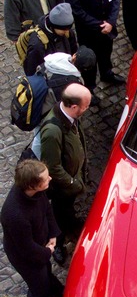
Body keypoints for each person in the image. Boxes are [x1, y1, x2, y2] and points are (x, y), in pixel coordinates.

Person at [0, 160, 64, 297]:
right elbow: (27, 249)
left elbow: (46, 210)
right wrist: (47, 251)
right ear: (32, 185)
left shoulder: (35, 192)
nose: (50, 178)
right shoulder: (15, 215)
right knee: (38, 289)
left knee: (46, 272)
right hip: (25, 257)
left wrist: (52, 234)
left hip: (39, 243)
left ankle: (55, 289)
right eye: (45, 178)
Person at [63, 0, 125, 100]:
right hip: (89, 32)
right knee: (89, 62)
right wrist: (99, 25)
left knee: (106, 53)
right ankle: (89, 88)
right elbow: (77, 11)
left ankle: (107, 73)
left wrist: (111, 22)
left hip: (108, 27)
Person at [40, 83, 91, 265]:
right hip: (62, 188)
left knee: (67, 212)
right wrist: (74, 184)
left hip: (73, 179)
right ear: (74, 106)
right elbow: (52, 167)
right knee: (59, 215)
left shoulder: (71, 117)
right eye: (85, 106)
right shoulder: (52, 131)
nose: (86, 109)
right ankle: (59, 244)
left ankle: (71, 224)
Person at [24, 2, 78, 76]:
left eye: (68, 28)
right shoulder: (37, 44)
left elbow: (73, 51)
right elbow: (32, 72)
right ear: (53, 26)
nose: (67, 32)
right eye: (64, 30)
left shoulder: (67, 32)